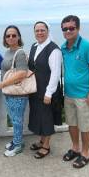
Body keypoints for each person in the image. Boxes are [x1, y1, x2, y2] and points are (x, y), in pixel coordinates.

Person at [61, 15, 89, 168]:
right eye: (65, 28)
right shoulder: (63, 47)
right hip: (68, 94)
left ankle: (85, 153)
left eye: (71, 28)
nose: (68, 31)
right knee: (72, 124)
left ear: (78, 28)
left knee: (85, 126)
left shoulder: (87, 46)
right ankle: (75, 148)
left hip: (84, 96)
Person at [28, 21, 62, 159]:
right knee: (39, 116)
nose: (40, 33)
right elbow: (32, 66)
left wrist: (49, 93)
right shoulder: (34, 46)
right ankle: (42, 140)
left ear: (47, 31)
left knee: (46, 117)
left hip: (48, 90)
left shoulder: (54, 49)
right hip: (35, 89)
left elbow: (55, 73)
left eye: (42, 30)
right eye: (37, 30)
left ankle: (46, 146)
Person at [0, 25, 28, 157]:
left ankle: (18, 145)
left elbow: (22, 73)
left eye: (14, 35)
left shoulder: (19, 53)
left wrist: (3, 83)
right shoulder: (8, 51)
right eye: (8, 36)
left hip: (17, 93)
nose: (11, 38)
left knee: (17, 119)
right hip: (9, 91)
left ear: (18, 37)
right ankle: (16, 141)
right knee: (14, 118)